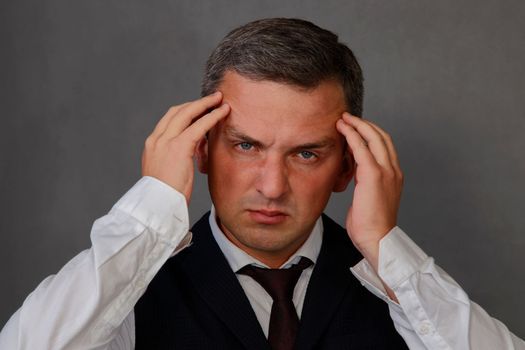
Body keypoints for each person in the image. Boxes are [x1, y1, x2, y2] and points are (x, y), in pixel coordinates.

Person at [0, 18, 523, 350]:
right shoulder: (129, 288)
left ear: (348, 168)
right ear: (201, 149)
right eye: (246, 145)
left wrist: (388, 252)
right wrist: (152, 209)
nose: (272, 186)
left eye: (306, 153)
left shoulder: (399, 294)